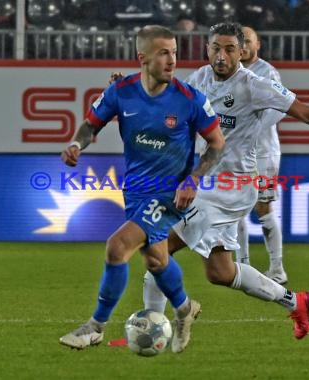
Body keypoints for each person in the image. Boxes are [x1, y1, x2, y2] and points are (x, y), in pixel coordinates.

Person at [109, 21, 309, 346]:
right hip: (204, 183)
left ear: (242, 51)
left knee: (157, 242)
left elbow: (307, 113)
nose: (222, 55)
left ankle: (150, 328)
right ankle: (296, 302)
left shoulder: (253, 85)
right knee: (221, 272)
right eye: (216, 47)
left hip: (231, 187)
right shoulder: (197, 79)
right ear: (207, 48)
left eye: (230, 48)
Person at [58, 25, 225, 353]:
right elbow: (91, 124)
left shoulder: (190, 99)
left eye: (175, 52)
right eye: (164, 53)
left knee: (117, 247)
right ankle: (184, 307)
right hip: (135, 190)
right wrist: (77, 143)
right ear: (143, 58)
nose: (172, 60)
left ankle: (95, 326)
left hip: (170, 193)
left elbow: (217, 144)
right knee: (156, 260)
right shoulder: (121, 91)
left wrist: (193, 178)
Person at [235, 26, 288, 284]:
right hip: (235, 154)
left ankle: (277, 268)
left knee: (263, 207)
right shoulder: (228, 72)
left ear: (258, 44)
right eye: (239, 41)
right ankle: (242, 264)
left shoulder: (266, 72)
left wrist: (252, 126)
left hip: (263, 153)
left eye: (247, 40)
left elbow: (280, 108)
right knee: (236, 207)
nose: (242, 45)